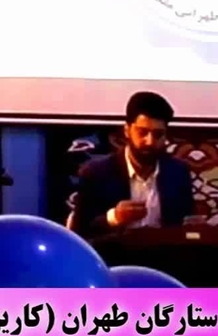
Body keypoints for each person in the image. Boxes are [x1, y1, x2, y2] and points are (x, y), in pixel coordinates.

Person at [71, 91, 195, 239]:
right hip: (115, 253)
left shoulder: (178, 173)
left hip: (165, 252)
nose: (149, 141)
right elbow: (79, 231)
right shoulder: (97, 172)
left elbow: (186, 227)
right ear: (127, 130)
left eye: (158, 134)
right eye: (142, 132)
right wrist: (114, 217)